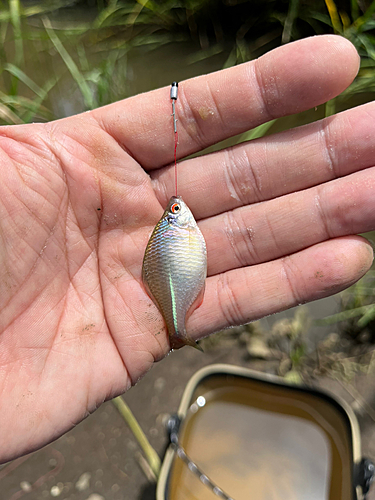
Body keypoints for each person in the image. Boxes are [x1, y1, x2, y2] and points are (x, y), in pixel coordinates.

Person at [0, 34, 373, 463]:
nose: (179, 209)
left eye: (173, 208)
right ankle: (178, 327)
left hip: (175, 279)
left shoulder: (177, 229)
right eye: (175, 209)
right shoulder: (179, 228)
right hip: (175, 283)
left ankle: (178, 326)